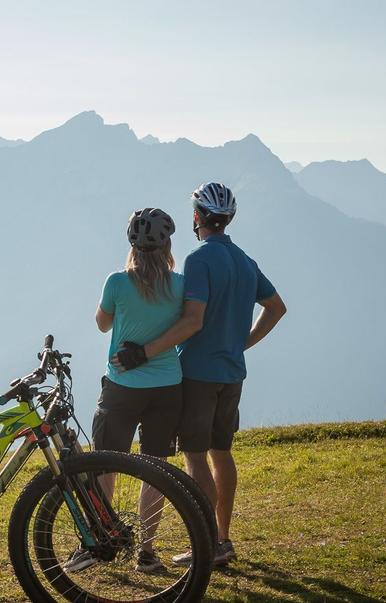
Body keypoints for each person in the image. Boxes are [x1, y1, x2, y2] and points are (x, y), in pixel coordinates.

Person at [112, 182, 287, 567]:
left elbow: (192, 322)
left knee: (194, 458)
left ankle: (206, 544)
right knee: (221, 453)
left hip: (198, 374)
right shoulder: (244, 260)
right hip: (232, 374)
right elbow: (276, 308)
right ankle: (223, 539)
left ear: (196, 217)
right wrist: (243, 344)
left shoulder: (199, 260)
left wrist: (143, 352)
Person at [64, 207, 184, 575]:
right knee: (155, 468)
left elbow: (102, 324)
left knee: (105, 463)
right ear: (167, 245)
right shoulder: (180, 285)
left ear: (131, 244)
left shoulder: (117, 282)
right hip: (167, 386)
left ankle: (98, 538)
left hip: (122, 386)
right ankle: (146, 553)